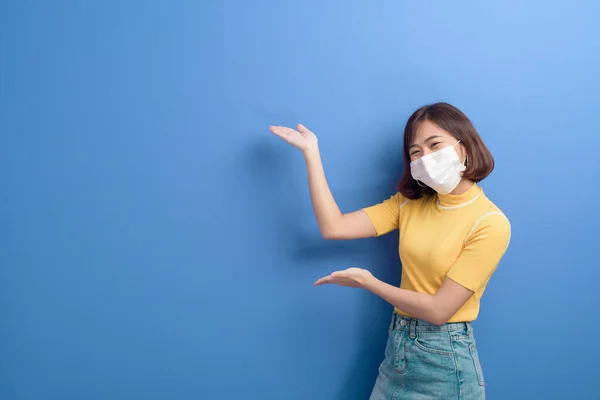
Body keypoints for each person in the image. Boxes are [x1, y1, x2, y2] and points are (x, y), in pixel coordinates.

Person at [269, 102, 510, 399]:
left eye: (435, 145)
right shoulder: (408, 204)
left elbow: (439, 310)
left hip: (445, 361)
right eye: (416, 152)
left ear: (465, 147)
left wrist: (368, 283)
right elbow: (334, 227)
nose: (426, 157)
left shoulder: (490, 223)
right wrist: (311, 153)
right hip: (399, 349)